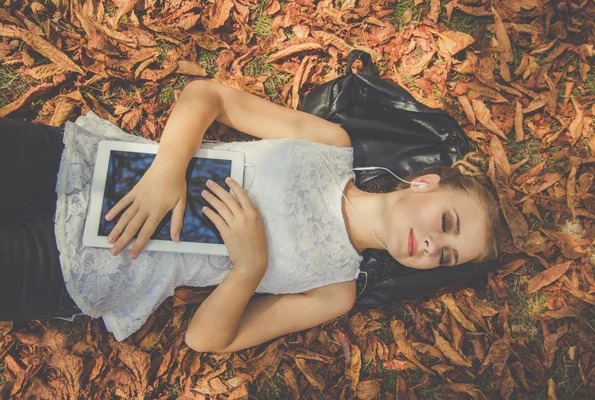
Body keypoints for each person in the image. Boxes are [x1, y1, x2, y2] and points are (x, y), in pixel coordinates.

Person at [0, 79, 500, 352]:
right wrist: (169, 169)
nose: (434, 246)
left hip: (88, 264)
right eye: (447, 223)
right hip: (81, 164)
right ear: (426, 182)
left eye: (447, 257)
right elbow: (209, 96)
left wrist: (249, 268)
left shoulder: (335, 292)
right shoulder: (331, 145)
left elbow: (207, 339)